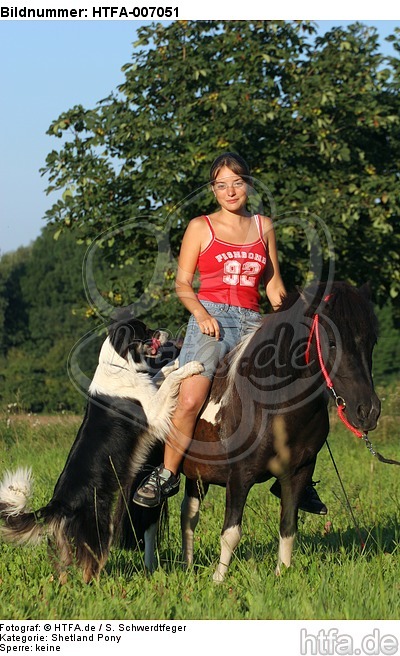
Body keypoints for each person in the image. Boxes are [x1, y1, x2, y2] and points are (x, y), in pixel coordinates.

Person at [133, 152, 327, 515]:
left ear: (248, 185)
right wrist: (201, 314)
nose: (230, 191)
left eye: (237, 182)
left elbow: (273, 286)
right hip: (212, 319)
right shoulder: (200, 227)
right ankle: (167, 473)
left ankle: (301, 479)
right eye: (222, 185)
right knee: (190, 398)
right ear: (213, 190)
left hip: (254, 321)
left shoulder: (263, 226)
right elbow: (182, 284)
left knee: (297, 385)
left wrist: (292, 322)